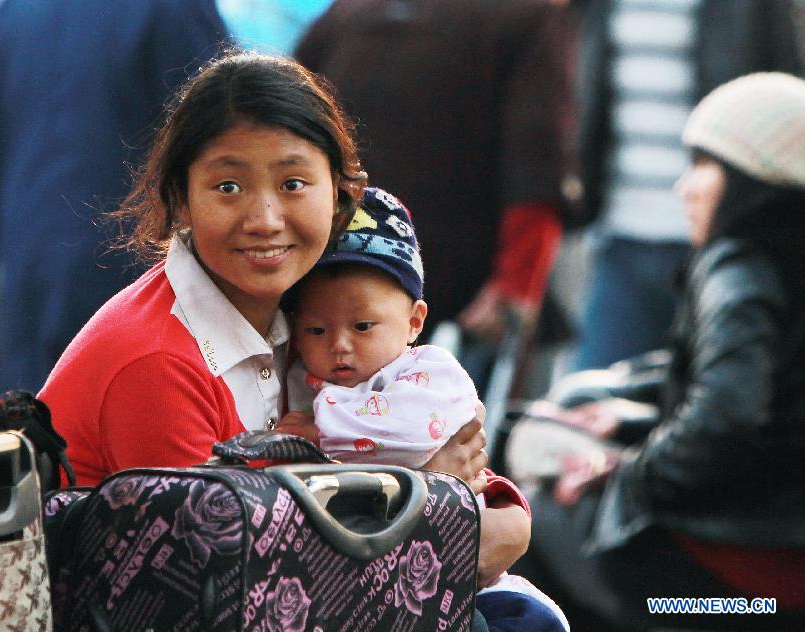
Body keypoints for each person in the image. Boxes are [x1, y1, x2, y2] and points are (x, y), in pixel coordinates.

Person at [38, 52, 528, 609]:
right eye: (227, 187)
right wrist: (439, 503)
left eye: (293, 183)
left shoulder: (313, 321)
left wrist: (493, 507)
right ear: (180, 200)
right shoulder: (157, 363)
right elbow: (232, 591)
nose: (265, 218)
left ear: (344, 196)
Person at [507, 73, 805, 630]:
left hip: (738, 590)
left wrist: (625, 478)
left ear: (750, 179)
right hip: (782, 559)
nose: (683, 188)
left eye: (703, 166)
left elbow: (728, 414)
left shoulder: (738, 265)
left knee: (528, 528)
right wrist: (628, 405)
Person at [287, 186, 570, 631]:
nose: (339, 346)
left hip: (467, 564)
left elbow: (405, 433)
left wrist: (315, 431)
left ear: (415, 321)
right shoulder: (303, 379)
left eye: (363, 326)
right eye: (317, 329)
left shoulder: (428, 372)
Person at [295, 0, 575, 394]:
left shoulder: (348, 11)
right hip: (439, 286)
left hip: (347, 276)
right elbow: (537, 163)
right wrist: (518, 284)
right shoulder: (528, 15)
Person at [0, 0, 228, 392]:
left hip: (30, 289)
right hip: (137, 289)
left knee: (33, 433)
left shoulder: (14, 13)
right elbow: (225, 144)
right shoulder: (174, 9)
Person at [569, 0, 803, 370]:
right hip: (621, 239)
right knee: (582, 403)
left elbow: (784, 102)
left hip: (719, 243)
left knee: (713, 395)